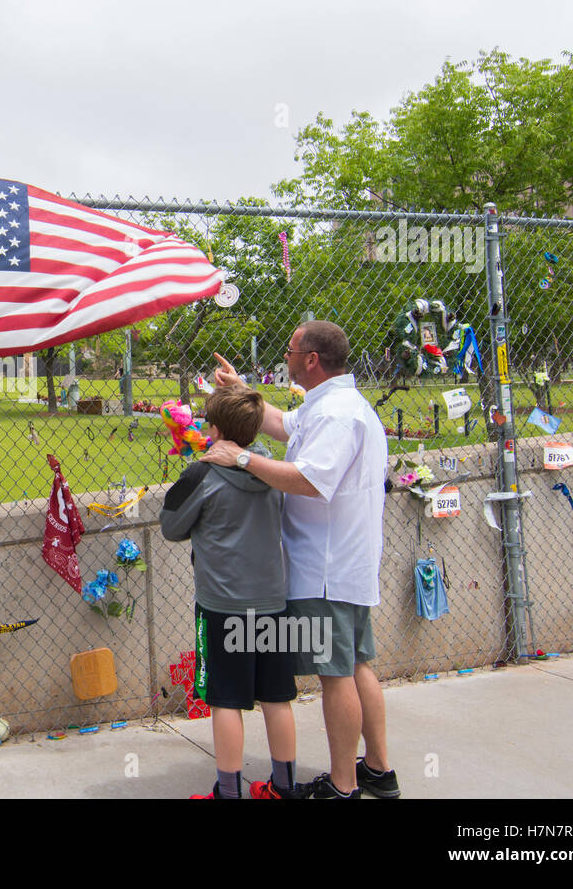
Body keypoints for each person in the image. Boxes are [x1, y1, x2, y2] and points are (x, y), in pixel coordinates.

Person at [205, 321, 400, 799]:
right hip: (346, 564)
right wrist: (242, 392)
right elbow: (283, 423)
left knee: (336, 676)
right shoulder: (335, 406)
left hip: (326, 569)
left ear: (311, 358)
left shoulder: (336, 416)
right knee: (357, 666)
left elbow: (310, 480)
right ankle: (378, 768)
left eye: (291, 349)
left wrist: (242, 459)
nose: (286, 355)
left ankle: (343, 785)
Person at [160, 386, 297, 800]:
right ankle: (286, 787)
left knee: (226, 700)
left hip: (222, 606)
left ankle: (229, 791)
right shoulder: (271, 469)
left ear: (215, 429)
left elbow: (171, 527)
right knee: (277, 697)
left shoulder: (200, 474)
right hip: (274, 600)